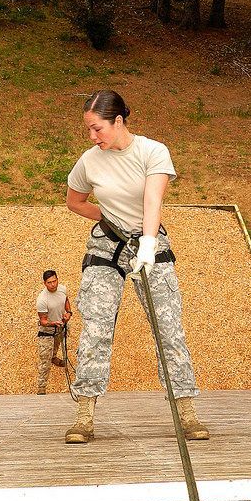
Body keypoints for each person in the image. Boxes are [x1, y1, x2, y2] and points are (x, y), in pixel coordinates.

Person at [64, 89, 209, 444]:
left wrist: (146, 243)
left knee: (169, 329)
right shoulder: (89, 160)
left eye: (97, 128)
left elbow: (152, 200)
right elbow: (75, 202)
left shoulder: (152, 151)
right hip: (107, 246)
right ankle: (84, 417)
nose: (92, 136)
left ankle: (186, 413)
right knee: (96, 328)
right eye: (88, 129)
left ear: (118, 121)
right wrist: (110, 220)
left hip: (150, 243)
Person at [36, 270, 72, 395]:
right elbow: (43, 321)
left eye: (54, 281)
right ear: (45, 283)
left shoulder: (62, 289)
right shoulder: (42, 299)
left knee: (53, 353)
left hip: (60, 329)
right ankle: (41, 390)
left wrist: (69, 313)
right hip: (46, 332)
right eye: (49, 282)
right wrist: (54, 323)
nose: (53, 284)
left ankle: (53, 357)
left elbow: (66, 301)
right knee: (44, 362)